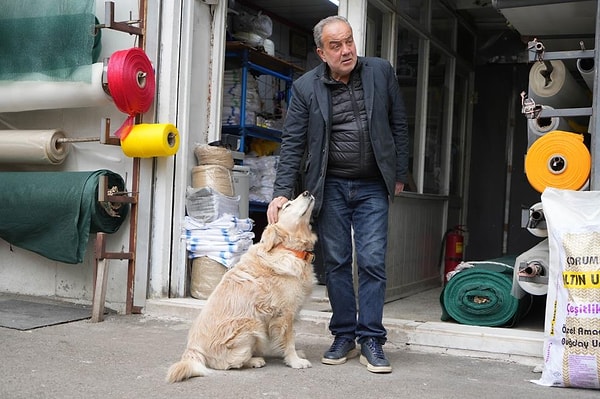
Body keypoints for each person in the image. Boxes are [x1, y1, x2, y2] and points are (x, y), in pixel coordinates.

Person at [266, 15, 409, 374]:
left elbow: (399, 124)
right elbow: (293, 143)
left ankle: (372, 338)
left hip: (373, 184)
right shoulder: (305, 88)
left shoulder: (380, 71)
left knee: (373, 261)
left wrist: (399, 172)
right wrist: (281, 192)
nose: (346, 51)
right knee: (338, 263)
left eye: (349, 42)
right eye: (336, 46)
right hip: (328, 188)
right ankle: (344, 335)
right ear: (321, 52)